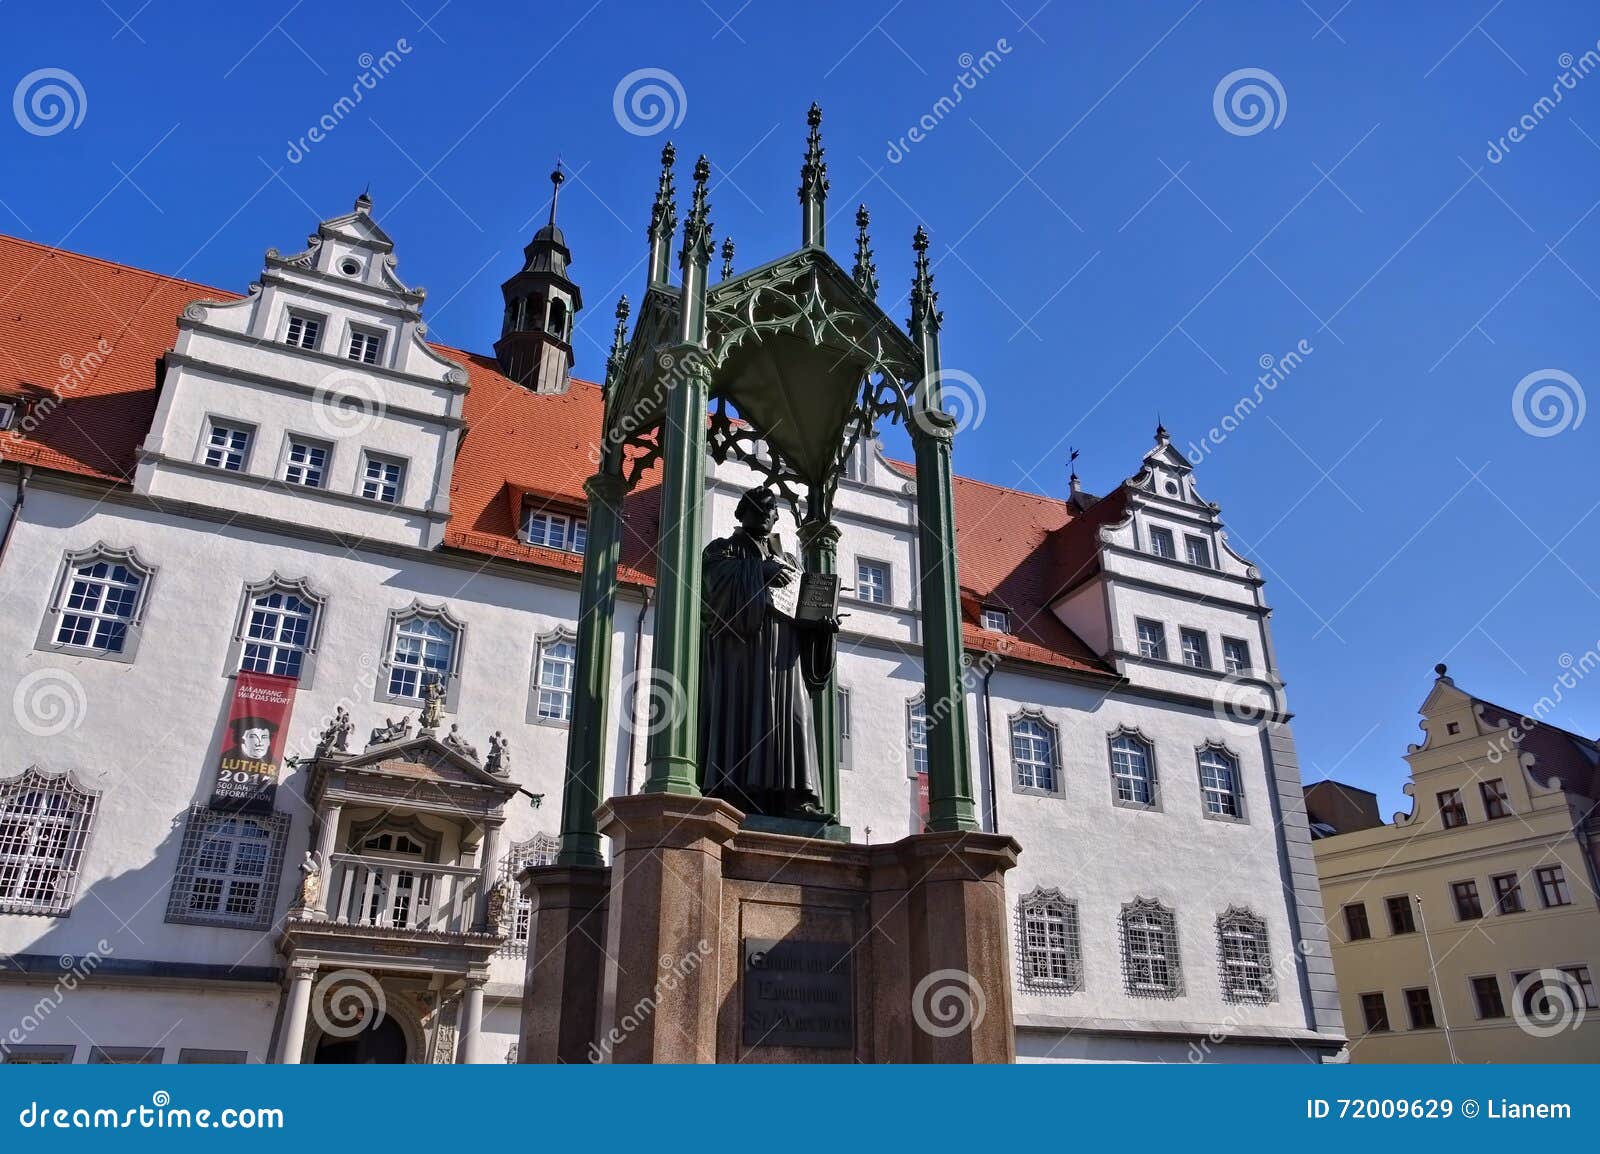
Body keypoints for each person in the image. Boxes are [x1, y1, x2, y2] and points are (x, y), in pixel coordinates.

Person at [699, 486, 840, 821]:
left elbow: (802, 605)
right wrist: (757, 573)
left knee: (793, 716)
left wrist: (821, 626)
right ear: (740, 513)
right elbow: (710, 586)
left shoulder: (789, 560)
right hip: (742, 650)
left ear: (777, 516)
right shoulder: (722, 551)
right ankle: (735, 795)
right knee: (743, 713)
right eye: (756, 507)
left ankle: (795, 798)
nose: (765, 511)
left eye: (770, 507)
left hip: (785, 653)